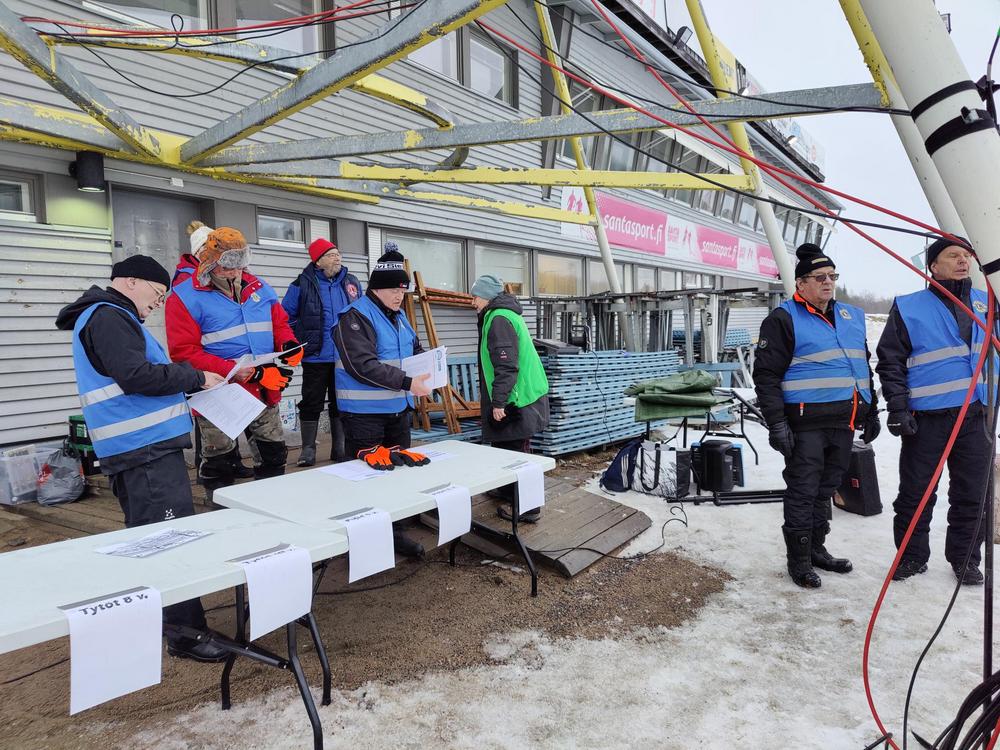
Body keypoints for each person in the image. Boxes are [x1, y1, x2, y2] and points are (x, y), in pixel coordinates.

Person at [55, 255, 228, 662]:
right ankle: (185, 635)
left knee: (153, 540)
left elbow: (139, 375)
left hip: (143, 449)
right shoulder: (109, 317)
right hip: (143, 451)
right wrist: (194, 376)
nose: (159, 302)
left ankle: (169, 623)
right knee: (168, 542)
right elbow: (136, 376)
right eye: (158, 292)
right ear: (131, 281)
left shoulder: (110, 317)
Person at [754, 243, 880, 589]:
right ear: (801, 283)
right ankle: (799, 560)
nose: (828, 282)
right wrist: (777, 423)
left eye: (832, 276)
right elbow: (766, 376)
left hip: (843, 421)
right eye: (819, 277)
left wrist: (870, 410)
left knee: (825, 489)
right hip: (805, 424)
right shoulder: (783, 319)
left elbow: (862, 367)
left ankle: (817, 549)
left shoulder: (851, 317)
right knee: (803, 491)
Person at [876, 237, 993, 585]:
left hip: (976, 416)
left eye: (966, 255)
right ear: (933, 266)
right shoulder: (909, 307)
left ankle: (965, 560)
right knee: (916, 493)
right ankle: (911, 557)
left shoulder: (988, 303)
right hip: (926, 419)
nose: (962, 261)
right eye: (953, 255)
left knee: (972, 494)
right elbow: (891, 362)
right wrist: (898, 408)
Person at [166, 227, 303, 498]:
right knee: (220, 462)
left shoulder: (259, 287)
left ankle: (272, 504)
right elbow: (183, 352)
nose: (234, 273)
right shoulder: (184, 297)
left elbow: (279, 323)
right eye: (227, 267)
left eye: (240, 266)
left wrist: (288, 345)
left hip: (263, 388)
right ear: (209, 262)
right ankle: (221, 511)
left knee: (273, 452)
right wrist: (236, 371)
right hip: (217, 393)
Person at [333, 242, 432, 557]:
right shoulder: (354, 318)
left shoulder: (399, 317)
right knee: (366, 480)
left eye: (402, 290)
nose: (399, 296)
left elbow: (413, 350)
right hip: (364, 416)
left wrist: (430, 368)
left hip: (398, 411)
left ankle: (394, 534)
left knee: (396, 477)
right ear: (375, 289)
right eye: (393, 290)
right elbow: (362, 365)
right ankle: (361, 542)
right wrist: (408, 382)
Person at [175, 220, 254, 479]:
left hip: (232, 370)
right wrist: (226, 367)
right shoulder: (187, 281)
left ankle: (233, 462)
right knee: (212, 430)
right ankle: (208, 469)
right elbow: (185, 346)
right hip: (211, 372)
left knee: (231, 421)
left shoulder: (232, 275)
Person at [469, 274, 550, 523]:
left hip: (517, 399)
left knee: (517, 455)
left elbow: (506, 366)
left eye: (475, 297)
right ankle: (506, 490)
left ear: (486, 296)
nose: (473, 302)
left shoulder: (499, 319)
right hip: (520, 394)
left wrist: (499, 403)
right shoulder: (501, 314)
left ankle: (529, 508)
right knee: (505, 449)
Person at [282, 238, 362, 466]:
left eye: (338, 254)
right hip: (315, 355)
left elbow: (362, 312)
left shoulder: (351, 282)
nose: (337, 258)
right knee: (311, 402)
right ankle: (308, 449)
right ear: (318, 261)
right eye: (331, 255)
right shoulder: (301, 284)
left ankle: (340, 448)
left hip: (344, 356)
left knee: (341, 401)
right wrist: (299, 339)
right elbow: (285, 316)